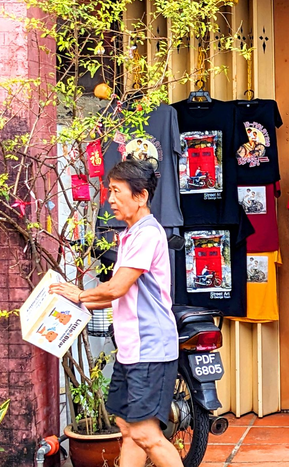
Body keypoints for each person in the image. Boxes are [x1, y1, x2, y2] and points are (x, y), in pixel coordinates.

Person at [49, 159, 182, 467]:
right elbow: (119, 296)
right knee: (126, 427)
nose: (109, 199)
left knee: (147, 435)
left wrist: (80, 294)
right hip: (132, 351)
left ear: (141, 196)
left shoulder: (147, 234)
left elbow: (116, 288)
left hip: (150, 350)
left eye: (116, 191)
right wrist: (74, 303)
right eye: (109, 190)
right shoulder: (132, 234)